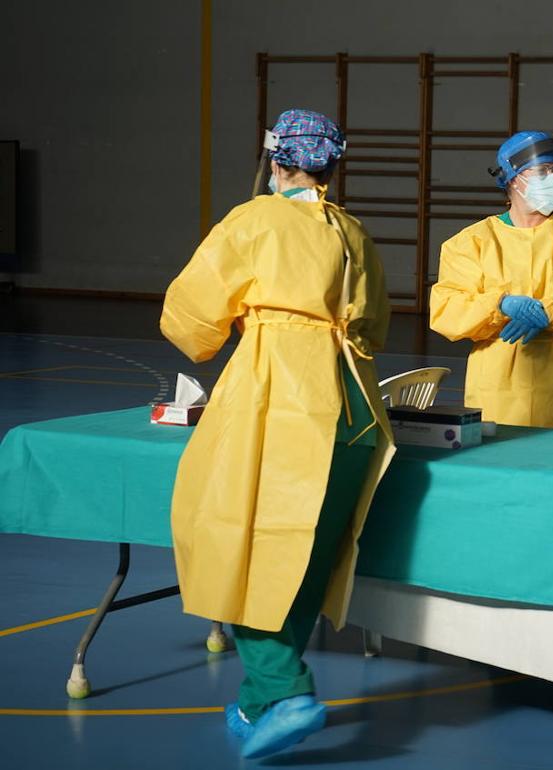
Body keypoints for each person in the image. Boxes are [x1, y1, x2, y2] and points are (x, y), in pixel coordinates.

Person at [161, 109, 394, 759]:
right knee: (304, 558)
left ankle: (287, 690)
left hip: (281, 400)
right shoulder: (352, 230)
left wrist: (246, 322)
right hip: (353, 410)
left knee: (233, 543)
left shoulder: (254, 220)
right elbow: (374, 325)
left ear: (276, 160)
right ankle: (258, 700)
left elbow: (190, 319)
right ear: (330, 164)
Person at [429, 131, 553, 428]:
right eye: (542, 171)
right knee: (503, 454)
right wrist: (500, 305)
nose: (552, 179)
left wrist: (548, 311)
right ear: (512, 179)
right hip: (500, 383)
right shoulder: (472, 242)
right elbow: (447, 310)